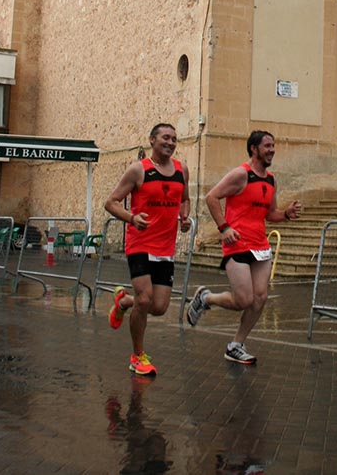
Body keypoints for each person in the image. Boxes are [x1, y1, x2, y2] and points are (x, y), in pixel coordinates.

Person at [186, 130, 301, 365]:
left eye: (273, 145)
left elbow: (271, 214)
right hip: (237, 244)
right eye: (267, 146)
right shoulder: (241, 174)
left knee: (260, 298)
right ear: (254, 149)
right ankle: (206, 298)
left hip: (260, 245)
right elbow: (211, 197)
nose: (272, 150)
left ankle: (235, 345)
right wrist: (224, 228)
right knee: (243, 300)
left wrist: (286, 214)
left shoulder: (271, 180)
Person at [104, 122, 190, 376]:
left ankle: (123, 302)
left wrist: (184, 218)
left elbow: (184, 199)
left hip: (165, 248)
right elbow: (111, 202)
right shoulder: (138, 171)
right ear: (152, 140)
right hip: (139, 243)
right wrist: (131, 218)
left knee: (159, 306)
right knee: (145, 298)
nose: (171, 142)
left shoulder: (181, 169)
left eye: (174, 139)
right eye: (165, 137)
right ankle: (137, 356)